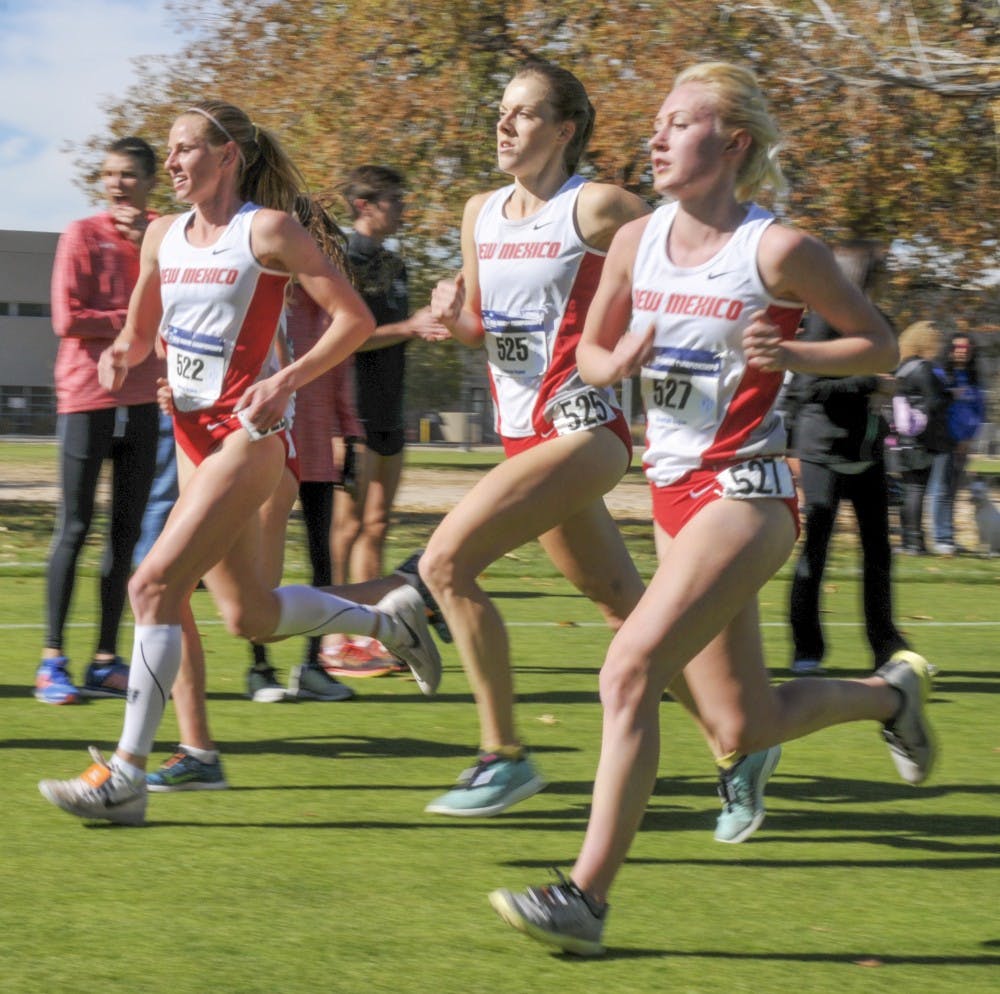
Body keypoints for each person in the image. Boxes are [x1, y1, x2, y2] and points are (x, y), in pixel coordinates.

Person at [488, 61, 936, 956]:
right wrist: (618, 367)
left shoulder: (776, 250)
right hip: (670, 489)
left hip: (750, 489)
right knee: (743, 725)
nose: (655, 137)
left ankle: (586, 897)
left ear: (731, 144)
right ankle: (890, 698)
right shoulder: (635, 240)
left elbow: (879, 345)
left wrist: (792, 358)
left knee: (628, 668)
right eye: (655, 122)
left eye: (679, 123)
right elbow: (596, 356)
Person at [37, 101, 442, 825]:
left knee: (153, 583)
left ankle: (125, 773)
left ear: (228, 156)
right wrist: (127, 354)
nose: (172, 162)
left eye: (187, 148)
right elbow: (141, 326)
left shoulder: (269, 231)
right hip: (190, 436)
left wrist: (285, 379)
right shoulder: (163, 234)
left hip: (249, 440)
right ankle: (390, 618)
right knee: (250, 617)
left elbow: (352, 320)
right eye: (169, 150)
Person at [421, 59, 738, 826]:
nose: (504, 125)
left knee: (444, 565)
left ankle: (504, 756)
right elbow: (485, 332)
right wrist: (452, 314)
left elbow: (687, 233)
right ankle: (739, 744)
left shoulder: (595, 207)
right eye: (502, 110)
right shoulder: (479, 213)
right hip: (518, 439)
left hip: (583, 431)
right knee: (619, 600)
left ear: (564, 130)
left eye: (524, 114)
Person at [35, 137, 163, 705]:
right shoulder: (80, 234)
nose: (117, 185)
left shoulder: (164, 235)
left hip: (144, 400)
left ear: (150, 181)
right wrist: (134, 321)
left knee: (125, 536)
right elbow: (68, 318)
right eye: (109, 174)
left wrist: (144, 255)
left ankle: (105, 661)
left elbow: (178, 307)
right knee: (75, 527)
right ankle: (51, 662)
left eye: (129, 175)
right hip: (86, 396)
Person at [324, 166, 451, 675]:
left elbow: (397, 333)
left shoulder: (396, 266)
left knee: (376, 524)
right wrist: (408, 325)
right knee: (346, 526)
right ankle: (331, 639)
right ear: (364, 205)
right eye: (395, 200)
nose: (403, 208)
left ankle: (368, 632)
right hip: (350, 411)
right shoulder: (341, 261)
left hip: (389, 410)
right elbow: (347, 333)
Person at [785, 242, 913, 674]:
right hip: (823, 452)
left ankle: (885, 644)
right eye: (875, 277)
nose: (880, 285)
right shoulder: (820, 324)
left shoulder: (879, 322)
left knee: (879, 552)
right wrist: (868, 384)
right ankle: (807, 650)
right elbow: (807, 391)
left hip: (868, 455)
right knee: (815, 551)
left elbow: (886, 371)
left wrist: (887, 386)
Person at [892, 321, 952, 555]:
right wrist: (949, 394)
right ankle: (915, 543)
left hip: (902, 438)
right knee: (917, 489)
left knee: (908, 489)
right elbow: (935, 402)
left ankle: (908, 541)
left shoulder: (903, 367)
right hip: (921, 438)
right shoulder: (924, 368)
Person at [926, 330, 986, 554]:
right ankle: (940, 538)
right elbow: (936, 407)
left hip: (964, 444)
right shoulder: (941, 375)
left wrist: (968, 440)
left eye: (966, 349)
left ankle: (949, 536)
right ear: (950, 350)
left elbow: (979, 411)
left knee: (952, 491)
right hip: (945, 442)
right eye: (958, 348)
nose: (962, 352)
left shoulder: (972, 380)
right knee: (940, 490)